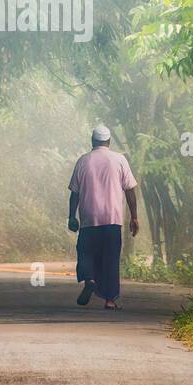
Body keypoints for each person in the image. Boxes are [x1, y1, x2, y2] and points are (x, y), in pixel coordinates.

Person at [67, 124, 139, 310]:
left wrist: (72, 216)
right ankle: (110, 300)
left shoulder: (83, 161)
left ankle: (89, 279)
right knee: (110, 259)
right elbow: (130, 190)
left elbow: (75, 192)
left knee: (86, 253)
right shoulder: (119, 160)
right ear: (108, 141)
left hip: (89, 219)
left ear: (93, 141)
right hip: (112, 219)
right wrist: (134, 217)